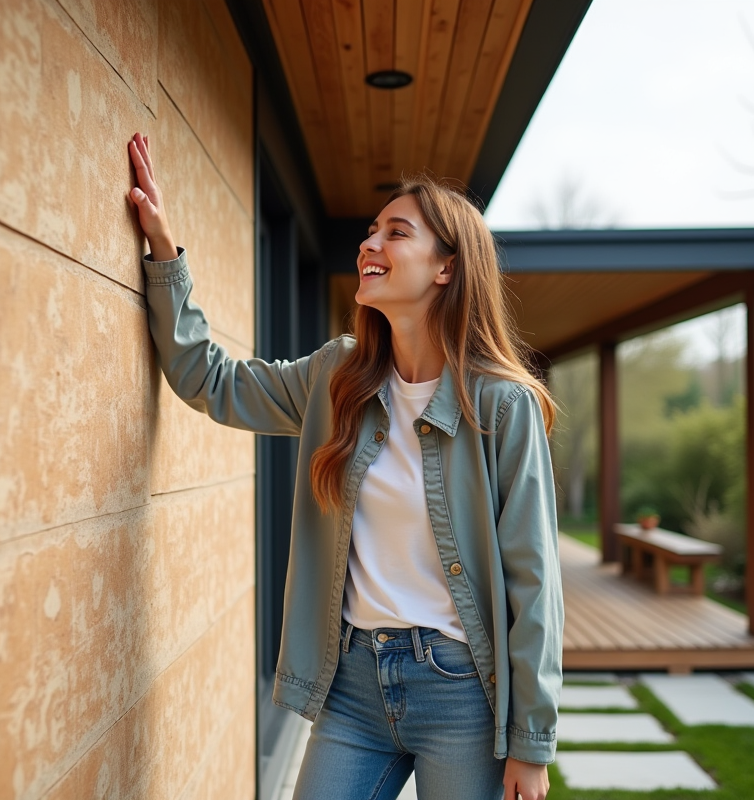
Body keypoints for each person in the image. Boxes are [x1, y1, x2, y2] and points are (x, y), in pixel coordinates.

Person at [126, 131, 563, 800]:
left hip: (462, 697)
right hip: (354, 685)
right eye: (369, 232)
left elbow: (534, 580)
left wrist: (530, 743)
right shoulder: (338, 375)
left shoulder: (502, 405)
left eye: (396, 232)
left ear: (446, 267)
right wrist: (163, 252)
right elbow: (208, 381)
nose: (369, 244)